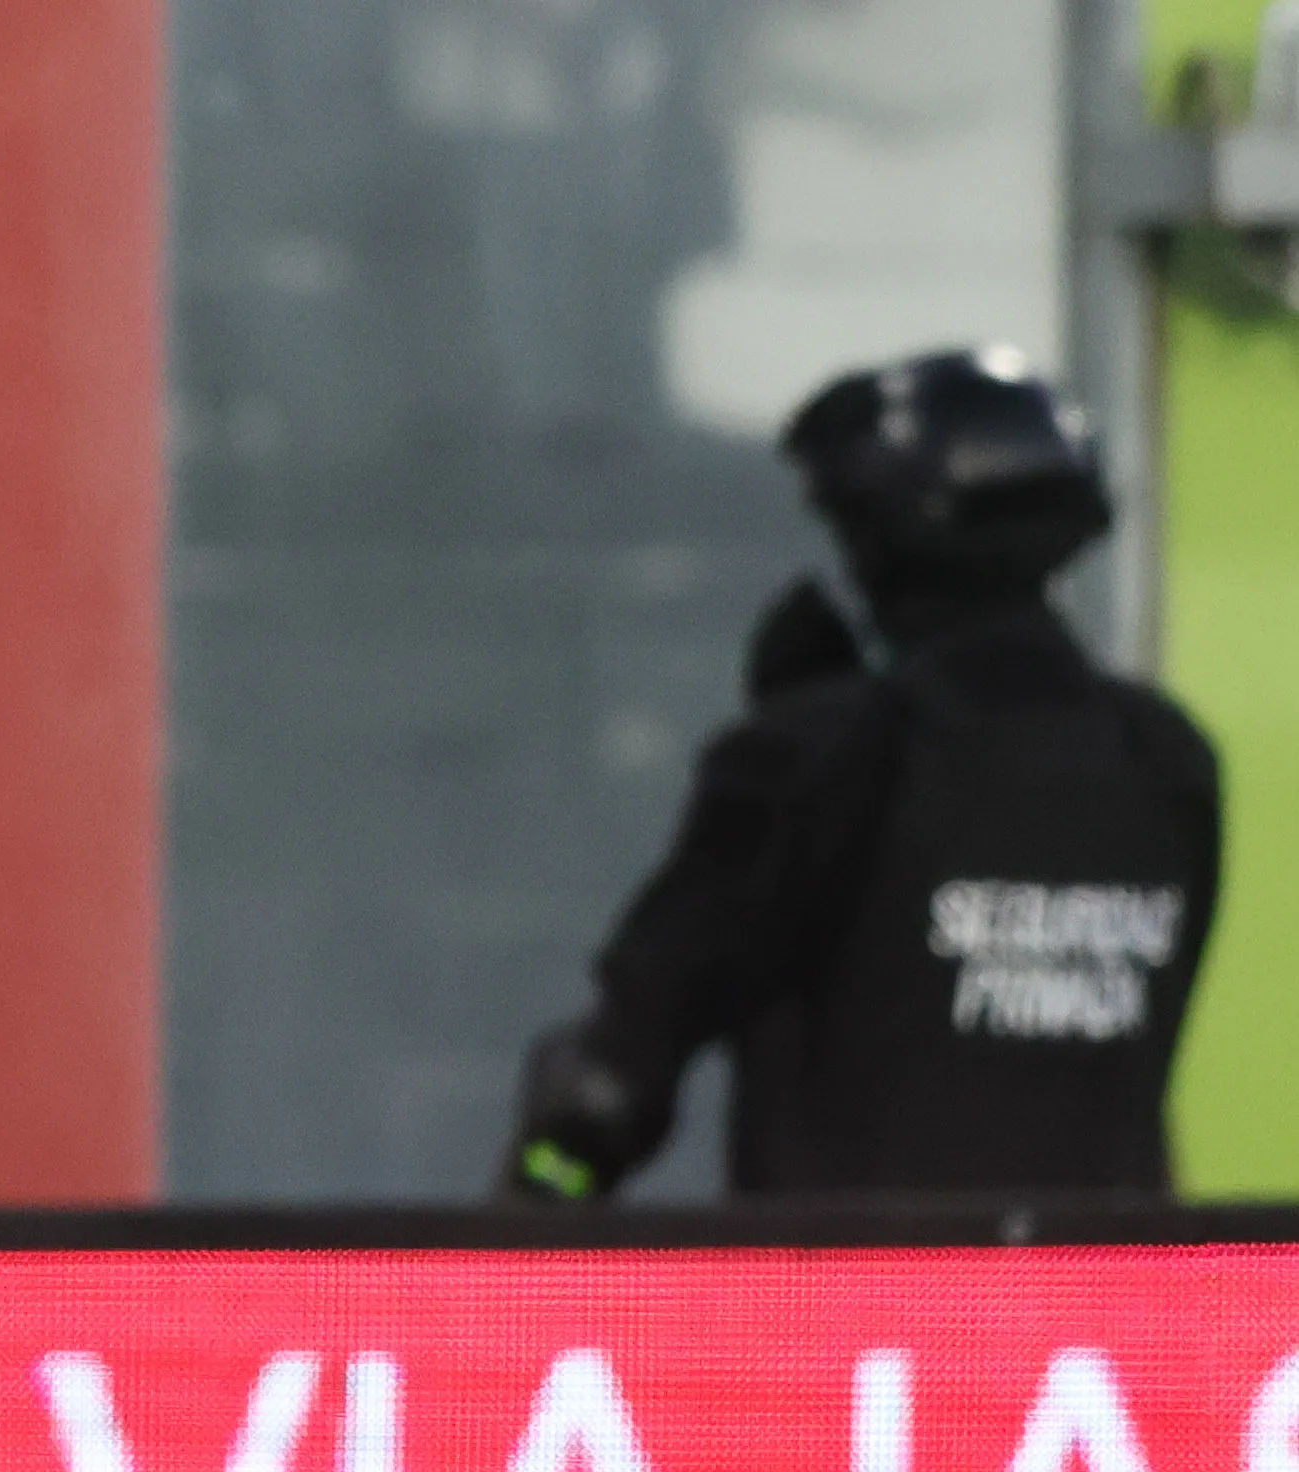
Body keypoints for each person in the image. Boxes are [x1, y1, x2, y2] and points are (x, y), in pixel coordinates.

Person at [500, 347, 1222, 1200]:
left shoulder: (822, 755)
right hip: (1104, 1311)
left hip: (854, 1311)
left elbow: (606, 1087)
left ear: (878, 535)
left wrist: (531, 1209)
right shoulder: (1163, 759)